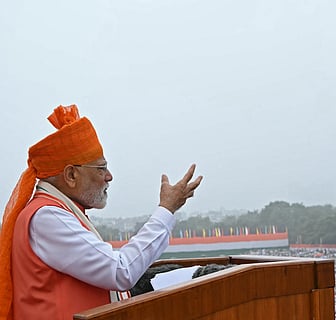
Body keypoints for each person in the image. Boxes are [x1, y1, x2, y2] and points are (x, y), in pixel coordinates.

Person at [0, 105, 202, 320]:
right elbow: (120, 271)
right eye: (101, 168)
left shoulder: (55, 211)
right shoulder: (47, 217)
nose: (109, 177)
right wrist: (166, 209)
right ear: (71, 175)